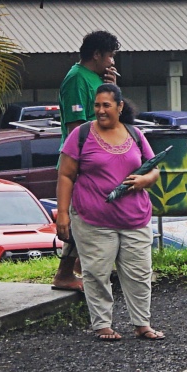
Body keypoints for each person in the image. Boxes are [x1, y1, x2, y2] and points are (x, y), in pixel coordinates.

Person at [54, 83, 163, 341]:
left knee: (139, 273)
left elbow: (154, 167)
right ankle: (102, 325)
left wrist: (145, 181)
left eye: (106, 105)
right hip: (93, 220)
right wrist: (63, 213)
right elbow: (66, 175)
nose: (100, 111)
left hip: (134, 218)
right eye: (97, 105)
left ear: (120, 106)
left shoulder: (135, 134)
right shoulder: (81, 135)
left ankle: (142, 324)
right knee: (97, 273)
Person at [53, 30, 120, 293]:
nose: (112, 61)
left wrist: (112, 87)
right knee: (80, 216)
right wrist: (90, 160)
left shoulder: (97, 79)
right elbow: (75, 126)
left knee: (96, 213)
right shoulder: (76, 80)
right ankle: (65, 273)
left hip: (102, 157)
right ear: (96, 55)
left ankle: (82, 265)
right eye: (110, 56)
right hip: (83, 161)